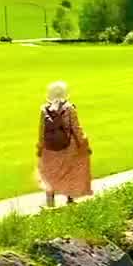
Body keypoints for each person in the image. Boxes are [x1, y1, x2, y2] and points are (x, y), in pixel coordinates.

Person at [36, 80, 92, 209]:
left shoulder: (44, 110)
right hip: (68, 147)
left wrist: (40, 147)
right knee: (69, 172)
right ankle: (70, 199)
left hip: (49, 148)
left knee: (50, 174)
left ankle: (50, 202)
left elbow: (41, 130)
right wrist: (84, 144)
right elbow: (76, 128)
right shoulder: (69, 108)